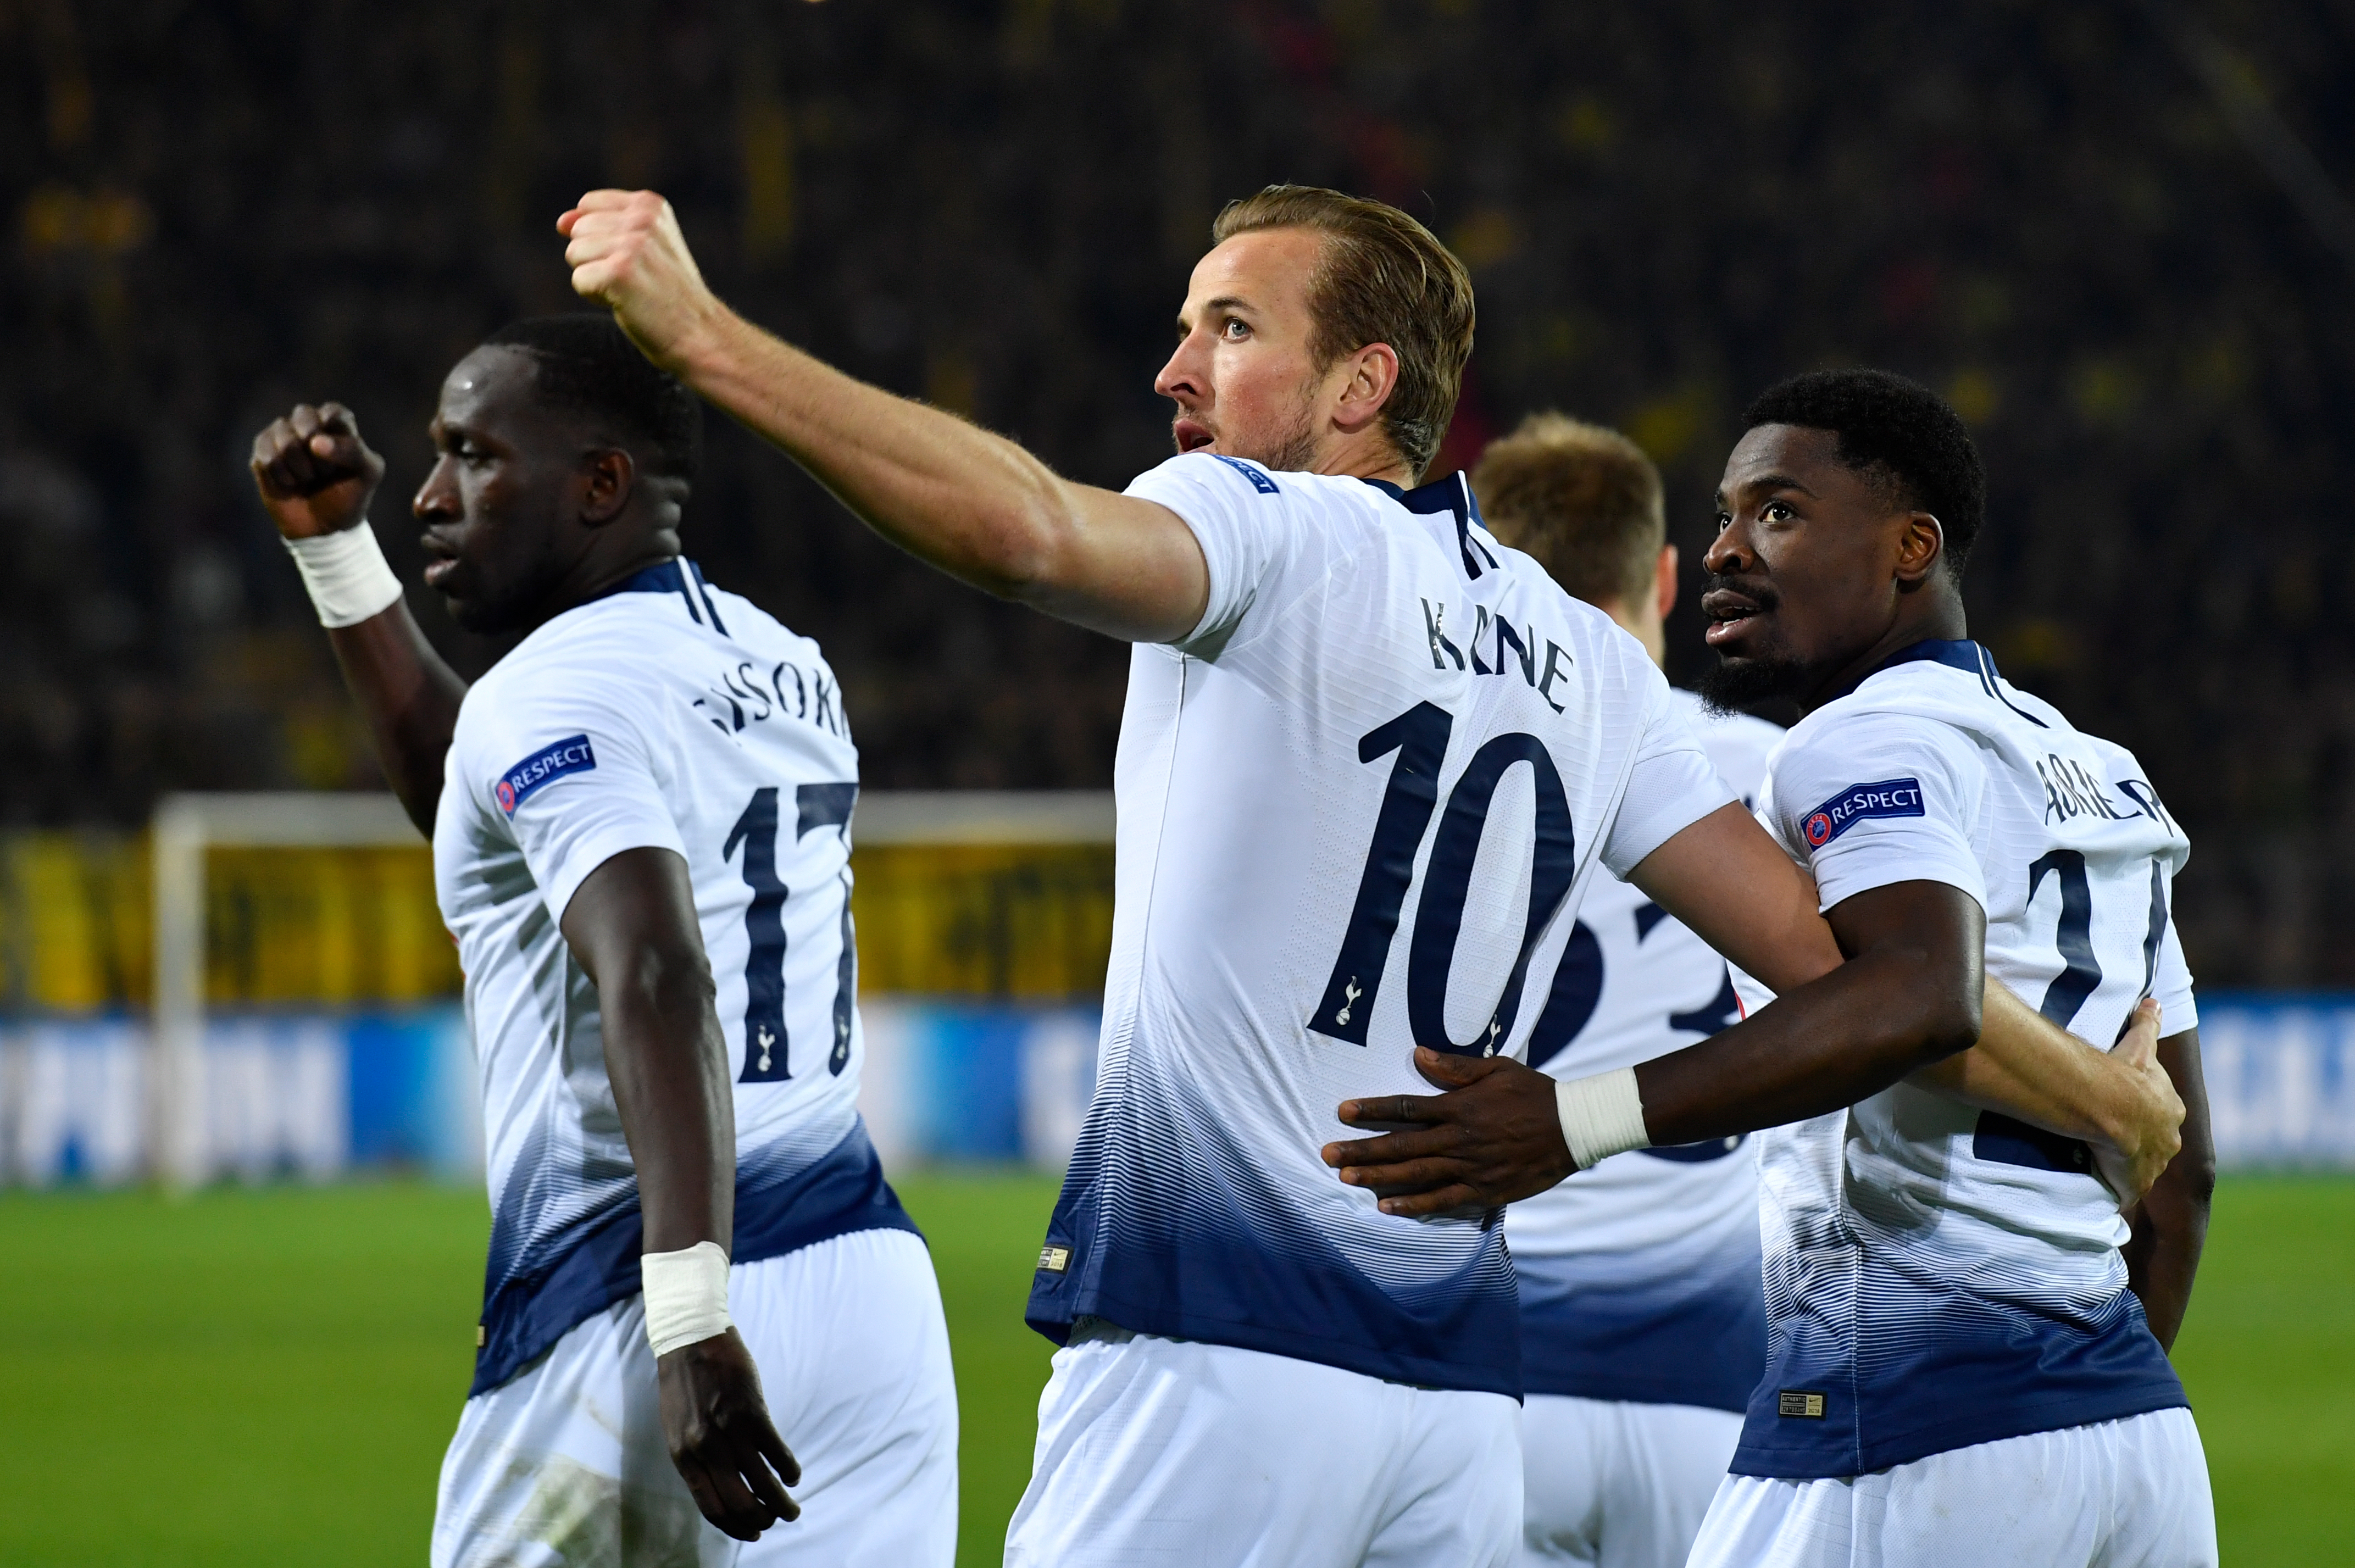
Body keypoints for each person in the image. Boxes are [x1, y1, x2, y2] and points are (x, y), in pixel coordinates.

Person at [554, 183, 2182, 1567]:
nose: (1173, 370)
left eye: (1229, 329)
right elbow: (1853, 973)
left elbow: (1033, 534)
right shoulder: (1582, 656)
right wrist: (2107, 1099)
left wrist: (707, 341)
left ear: (1360, 387)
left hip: (1211, 1349)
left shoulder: (1268, 540)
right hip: (1453, 1401)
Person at [247, 316, 957, 1567]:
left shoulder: (551, 687)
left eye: (474, 455)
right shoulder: (787, 663)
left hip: (641, 1296)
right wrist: (338, 555)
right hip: (869, 1288)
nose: (428, 493)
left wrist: (689, 1318)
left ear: (599, 484)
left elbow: (654, 967)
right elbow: (474, 796)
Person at [1679, 369, 2217, 1566]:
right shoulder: (2110, 777)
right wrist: (2082, 1405)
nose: (1723, 548)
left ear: (1908, 548)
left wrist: (1583, 1120)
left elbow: (1917, 993)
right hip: (2135, 1434)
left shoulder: (1857, 741)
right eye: (1721, 513)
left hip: (1908, 1418)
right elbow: (2181, 1179)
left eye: (1776, 512)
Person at [1470, 414, 1780, 1568]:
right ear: (1661, 575)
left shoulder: (1433, 775)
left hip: (1495, 1390)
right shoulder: (1770, 775)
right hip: (1722, 1387)